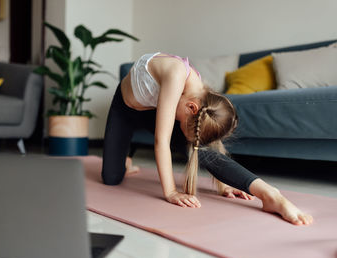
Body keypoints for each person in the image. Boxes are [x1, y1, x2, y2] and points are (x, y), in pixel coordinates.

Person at [101, 52, 313, 226]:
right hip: (125, 109)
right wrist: (171, 193)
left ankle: (270, 194)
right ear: (192, 108)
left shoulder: (199, 98)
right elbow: (161, 142)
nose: (184, 132)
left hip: (155, 109)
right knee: (111, 177)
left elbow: (206, 146)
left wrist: (226, 183)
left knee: (198, 150)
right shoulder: (176, 77)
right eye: (187, 127)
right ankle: (124, 161)